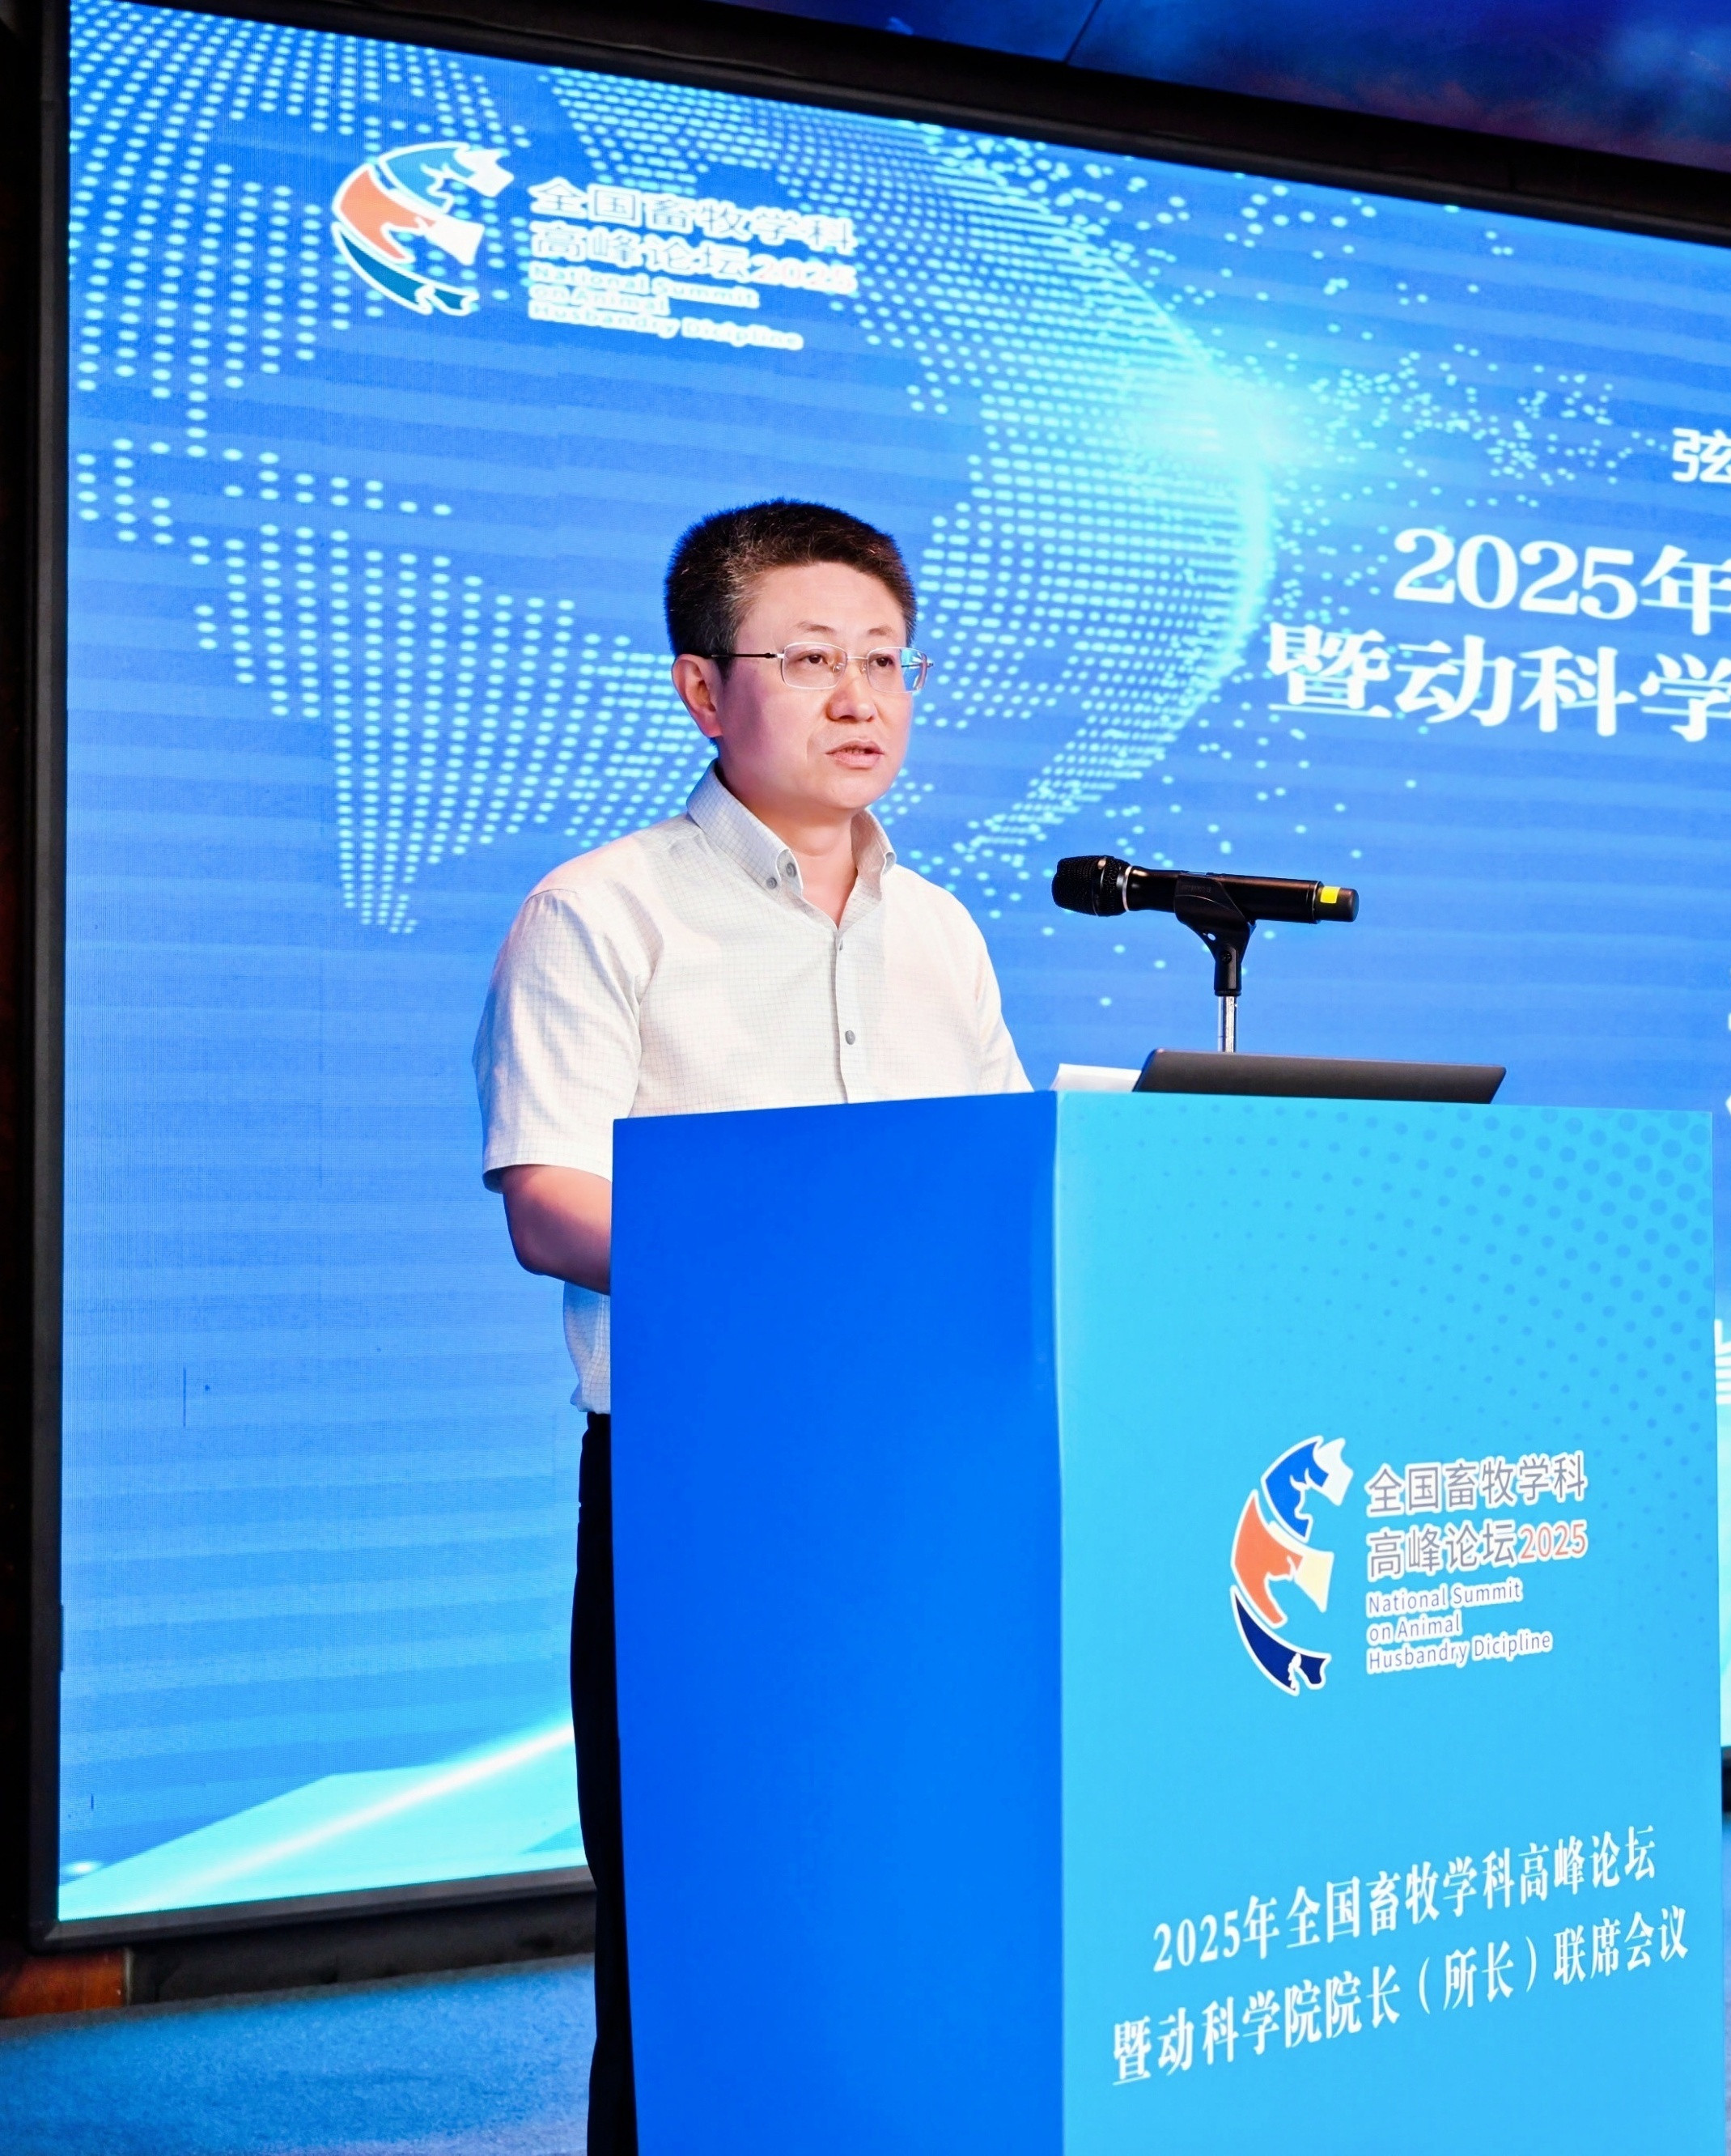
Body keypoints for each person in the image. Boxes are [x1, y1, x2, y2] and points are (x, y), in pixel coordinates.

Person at [472, 502, 1029, 2154]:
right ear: (705, 691)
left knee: (909, 1900)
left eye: (887, 663)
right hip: (705, 1495)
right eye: (809, 660)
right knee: (705, 1929)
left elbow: (999, 1186)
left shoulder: (943, 932)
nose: (861, 699)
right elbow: (548, 1202)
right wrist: (801, 1271)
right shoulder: (602, 912)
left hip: (927, 1486)